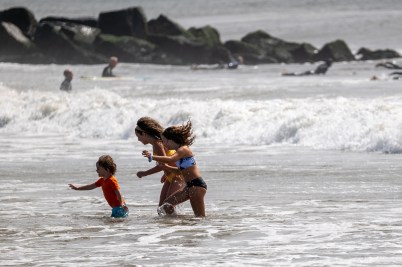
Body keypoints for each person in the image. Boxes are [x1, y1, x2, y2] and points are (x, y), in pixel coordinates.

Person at [142, 120, 207, 217]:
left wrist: (152, 157)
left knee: (200, 218)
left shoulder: (183, 149)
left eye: (165, 141)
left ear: (172, 139)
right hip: (189, 187)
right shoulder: (179, 152)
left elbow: (170, 158)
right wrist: (166, 168)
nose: (165, 144)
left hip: (197, 186)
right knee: (165, 206)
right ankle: (177, 225)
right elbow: (179, 171)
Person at [135, 117, 184, 211]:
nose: (138, 140)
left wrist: (144, 173)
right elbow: (166, 163)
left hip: (177, 176)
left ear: (144, 134)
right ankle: (172, 224)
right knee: (162, 209)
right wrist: (166, 172)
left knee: (165, 208)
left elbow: (163, 164)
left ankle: (179, 225)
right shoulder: (156, 144)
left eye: (138, 136)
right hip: (170, 176)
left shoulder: (158, 144)